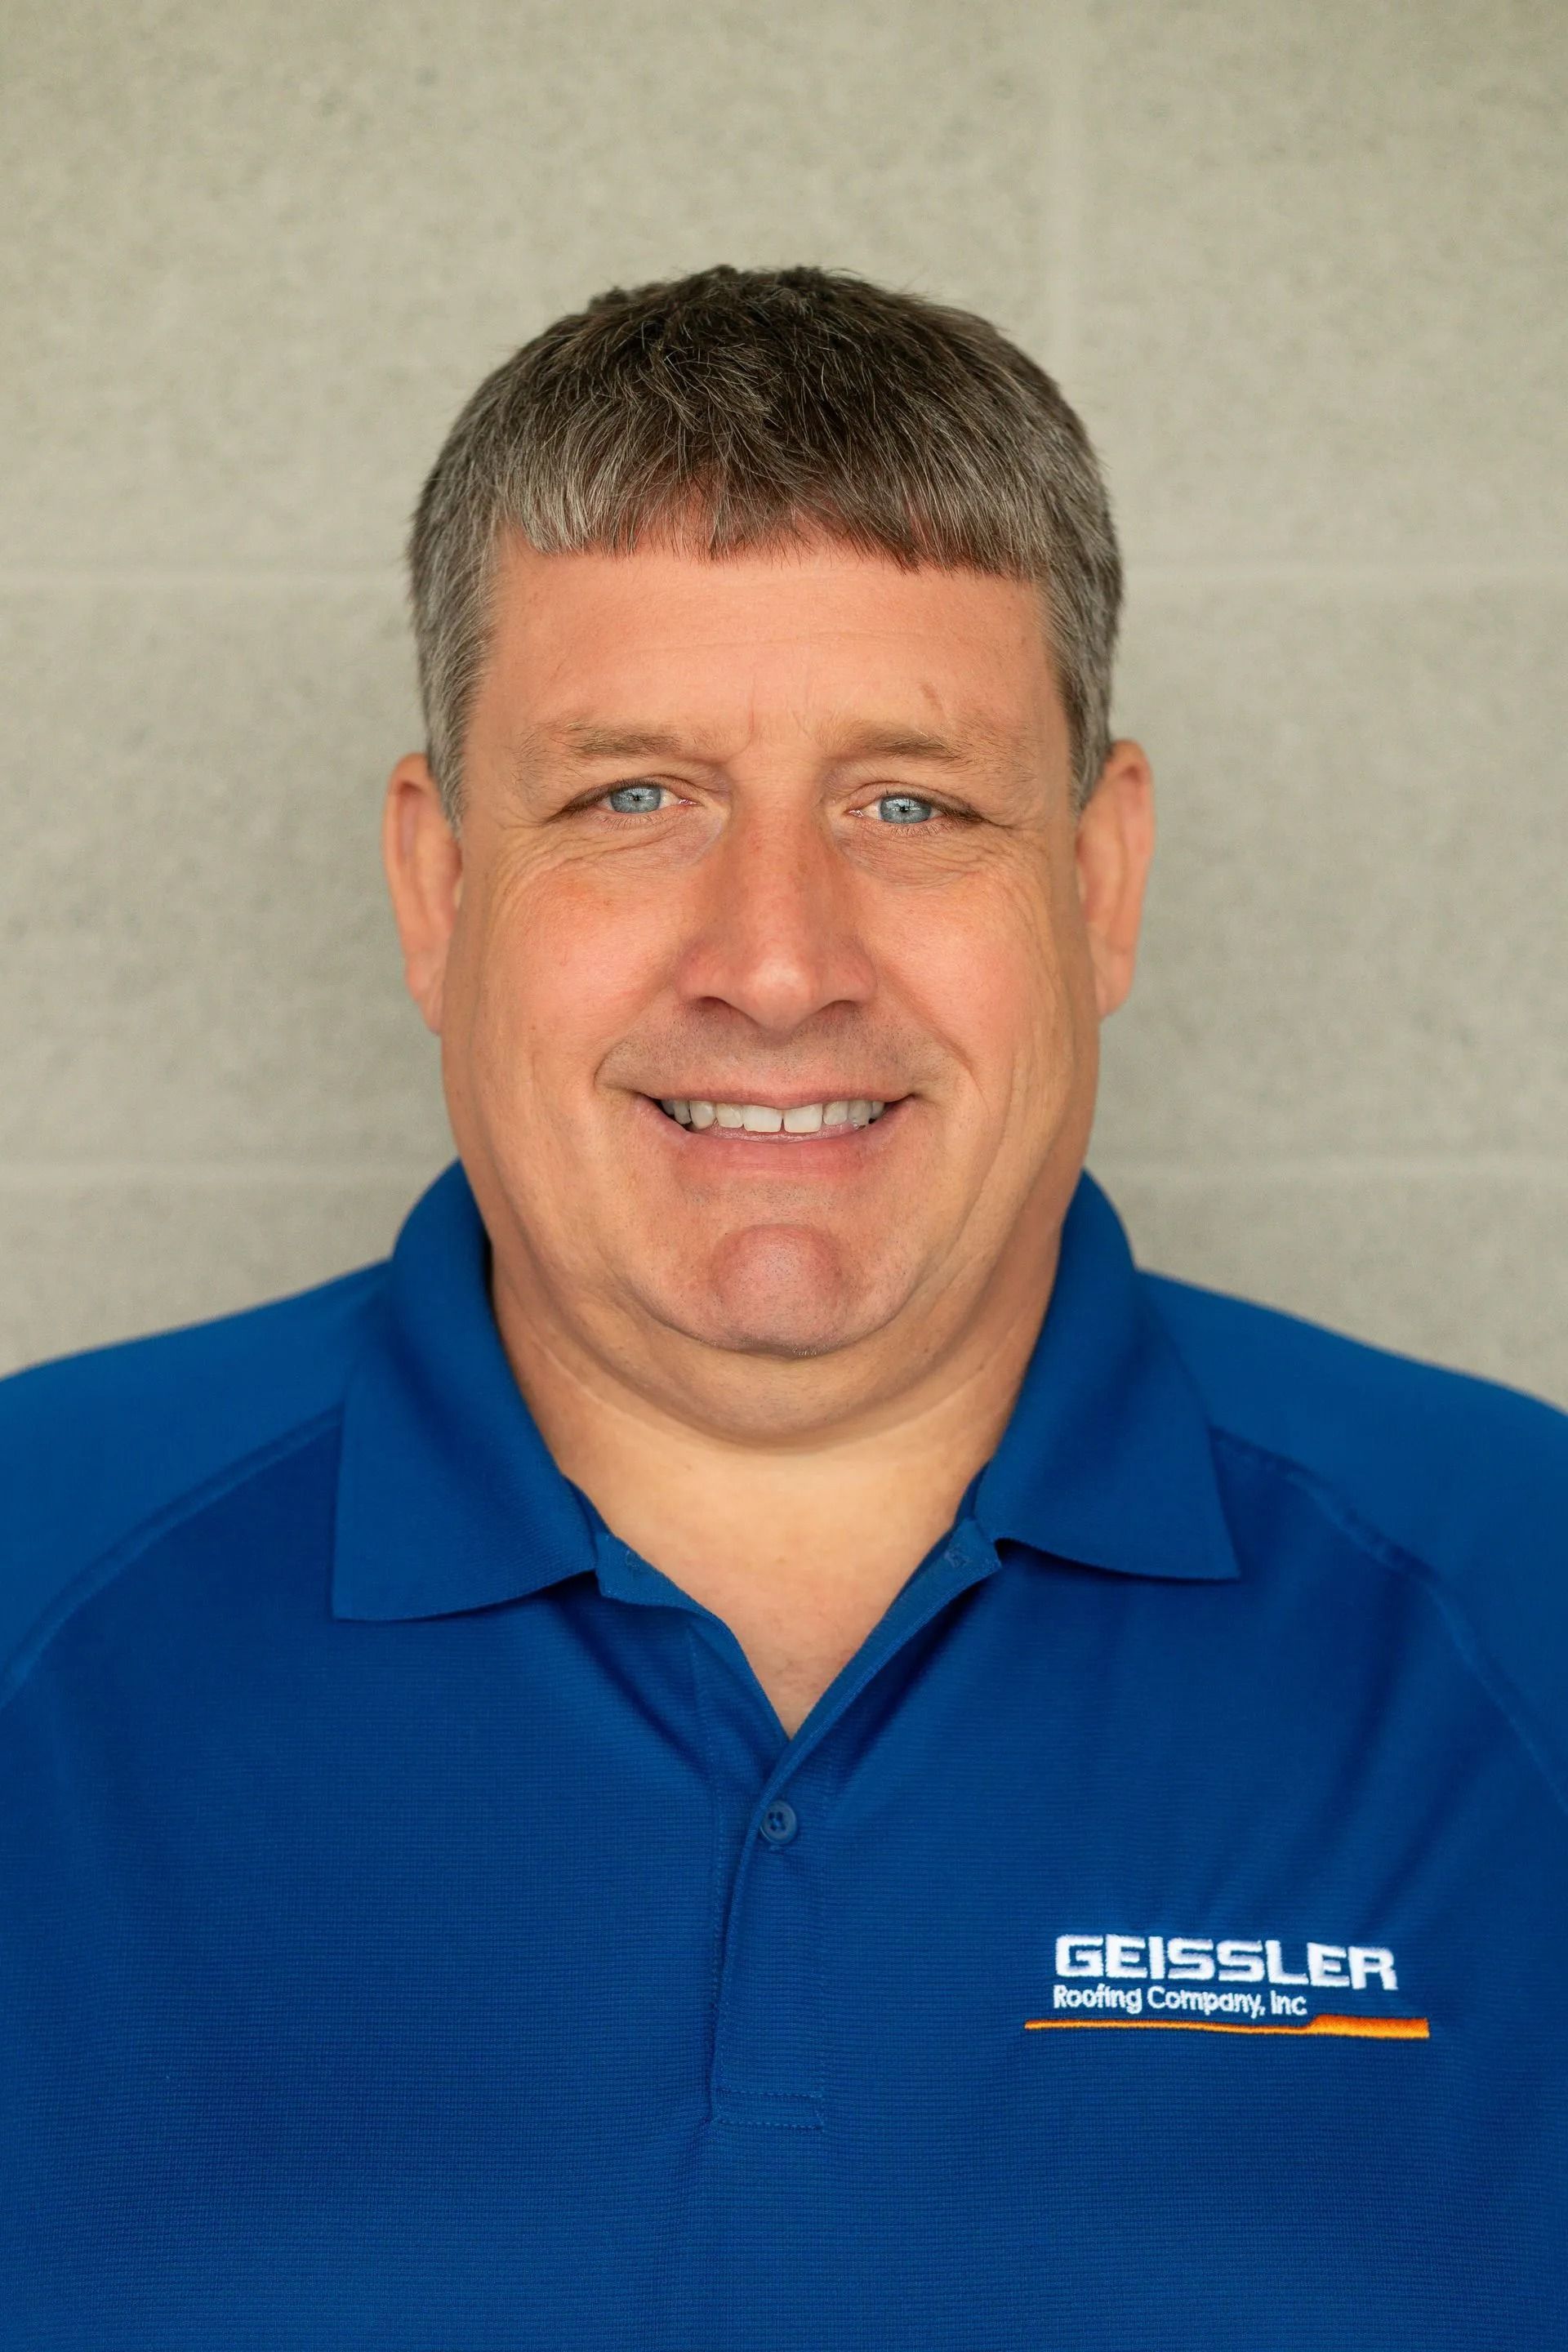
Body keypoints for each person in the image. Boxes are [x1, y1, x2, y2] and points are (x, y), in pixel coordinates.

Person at [2, 265, 1564, 2352]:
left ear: (1097, 887)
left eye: (908, 802)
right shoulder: (31, 1582)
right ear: (436, 886)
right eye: (631, 795)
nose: (773, 959)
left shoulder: (1522, 1603)